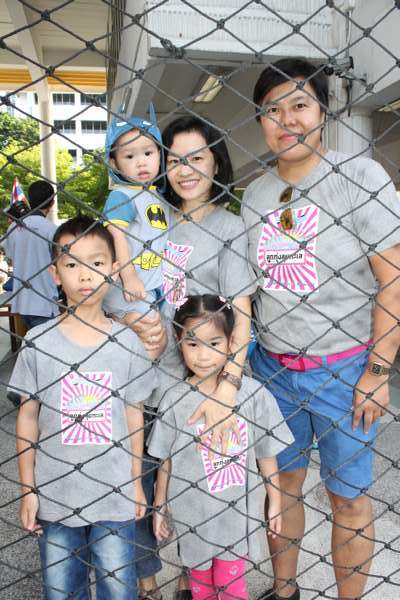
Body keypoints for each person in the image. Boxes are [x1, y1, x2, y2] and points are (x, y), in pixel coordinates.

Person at [241, 57, 400, 600]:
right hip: (273, 369)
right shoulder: (256, 195)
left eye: (300, 105)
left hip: (346, 369)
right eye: (272, 109)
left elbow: (393, 281)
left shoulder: (359, 177)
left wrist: (377, 372)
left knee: (347, 498)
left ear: (323, 113)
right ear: (260, 120)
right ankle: (285, 591)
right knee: (282, 488)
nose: (287, 119)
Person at [9, 215, 158, 599]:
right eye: (72, 264)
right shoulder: (39, 342)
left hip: (115, 495)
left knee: (117, 589)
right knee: (62, 590)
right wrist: (28, 490)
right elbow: (27, 419)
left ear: (113, 268)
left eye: (96, 262)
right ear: (54, 273)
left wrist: (136, 482)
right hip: (57, 496)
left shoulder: (126, 343)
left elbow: (134, 415)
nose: (85, 274)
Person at [147, 116, 257, 599]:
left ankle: (210, 576)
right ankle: (175, 577)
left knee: (211, 481)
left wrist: (228, 387)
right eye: (174, 160)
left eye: (196, 157)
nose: (185, 170)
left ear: (216, 162)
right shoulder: (154, 221)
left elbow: (243, 314)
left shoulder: (229, 227)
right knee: (165, 479)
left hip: (209, 380)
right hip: (158, 378)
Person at [148, 295, 294, 599]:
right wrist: (160, 506)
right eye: (193, 344)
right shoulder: (174, 400)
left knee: (231, 588)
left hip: (236, 516)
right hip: (193, 516)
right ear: (179, 341)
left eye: (214, 343)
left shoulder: (253, 396)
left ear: (231, 343)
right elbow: (166, 460)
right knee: (200, 587)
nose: (203, 356)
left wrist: (275, 500)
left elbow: (266, 452)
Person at [102, 105, 170, 337]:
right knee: (146, 337)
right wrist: (129, 276)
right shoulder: (122, 195)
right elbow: (116, 235)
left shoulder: (158, 194)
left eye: (148, 153)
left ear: (159, 154)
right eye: (129, 156)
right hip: (128, 290)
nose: (141, 162)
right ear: (114, 163)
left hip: (153, 285)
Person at [4, 179, 59, 330]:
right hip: (44, 302)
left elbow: (11, 259)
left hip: (21, 302)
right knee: (46, 343)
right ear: (52, 202)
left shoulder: (13, 227)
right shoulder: (51, 229)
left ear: (30, 199)